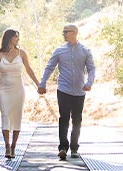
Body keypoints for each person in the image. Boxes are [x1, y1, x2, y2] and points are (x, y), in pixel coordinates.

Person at [38, 23, 96, 160]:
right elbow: (49, 67)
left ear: (74, 33)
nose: (63, 34)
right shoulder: (59, 50)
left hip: (79, 91)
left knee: (77, 119)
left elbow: (91, 69)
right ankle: (63, 147)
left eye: (66, 32)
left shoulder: (85, 51)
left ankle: (74, 148)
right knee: (64, 118)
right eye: (63, 32)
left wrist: (89, 83)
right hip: (63, 89)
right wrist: (42, 82)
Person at [0, 28, 40, 158]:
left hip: (18, 90)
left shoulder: (21, 53)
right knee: (5, 115)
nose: (17, 39)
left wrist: (38, 83)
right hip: (4, 90)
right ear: (8, 38)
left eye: (18, 37)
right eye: (15, 37)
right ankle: (7, 146)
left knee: (17, 117)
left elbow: (29, 70)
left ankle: (14, 146)